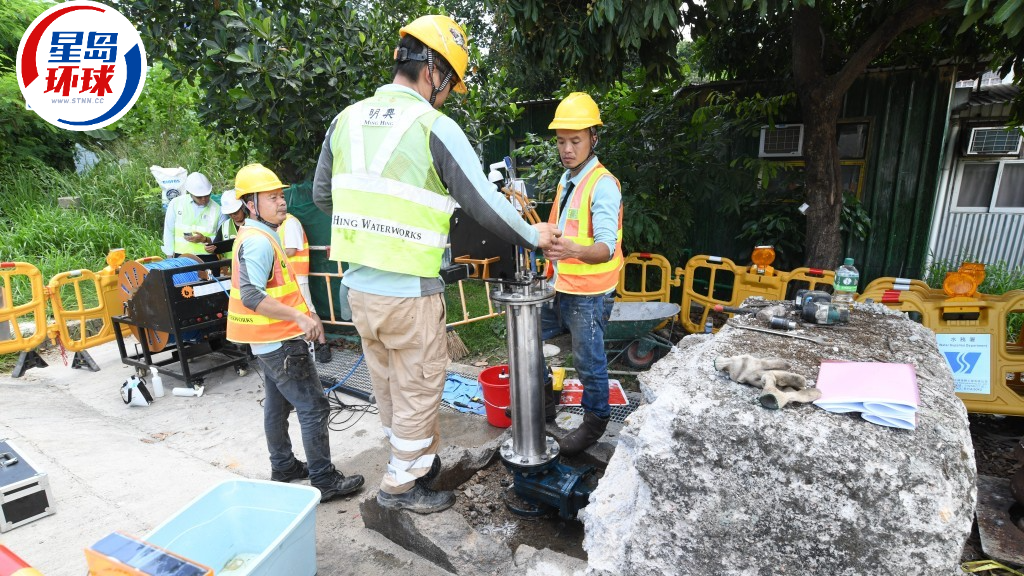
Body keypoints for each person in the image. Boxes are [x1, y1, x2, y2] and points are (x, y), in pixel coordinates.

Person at [312, 14, 560, 514]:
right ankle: (399, 489)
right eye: (449, 84)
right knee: (421, 390)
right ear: (433, 71)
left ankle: (417, 470)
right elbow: (485, 204)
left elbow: (322, 196)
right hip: (409, 295)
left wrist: (374, 222)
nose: (446, 96)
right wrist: (535, 234)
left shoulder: (346, 121)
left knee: (389, 388)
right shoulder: (431, 125)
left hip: (358, 291)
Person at [227, 163, 364, 503]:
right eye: (271, 197)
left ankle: (284, 466)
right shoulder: (259, 242)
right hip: (281, 343)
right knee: (314, 406)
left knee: (276, 406)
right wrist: (301, 320)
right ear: (250, 204)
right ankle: (324, 479)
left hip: (266, 342)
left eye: (281, 195)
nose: (281, 202)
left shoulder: (257, 234)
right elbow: (252, 295)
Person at [539, 92, 624, 457]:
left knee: (588, 363)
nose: (567, 149)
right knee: (529, 343)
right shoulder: (566, 179)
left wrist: (571, 249)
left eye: (575, 140)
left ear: (593, 138)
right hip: (559, 286)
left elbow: (605, 247)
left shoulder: (602, 184)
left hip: (590, 293)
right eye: (561, 141)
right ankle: (543, 406)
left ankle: (595, 423)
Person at [162, 172, 223, 260]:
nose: (204, 199)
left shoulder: (218, 209)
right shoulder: (176, 204)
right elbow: (169, 230)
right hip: (181, 258)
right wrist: (169, 255)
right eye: (199, 197)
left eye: (207, 195)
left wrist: (205, 239)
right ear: (190, 193)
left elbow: (222, 238)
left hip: (208, 258)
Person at [278, 213, 316, 314]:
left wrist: (271, 255)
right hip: (287, 276)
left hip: (297, 275)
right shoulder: (280, 223)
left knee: (307, 310)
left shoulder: (290, 222)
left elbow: (291, 251)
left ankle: (315, 329)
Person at [205, 189, 247, 261]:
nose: (233, 216)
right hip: (232, 270)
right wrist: (211, 249)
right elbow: (216, 247)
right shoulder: (225, 226)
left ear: (243, 206)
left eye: (235, 212)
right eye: (230, 214)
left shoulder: (254, 223)